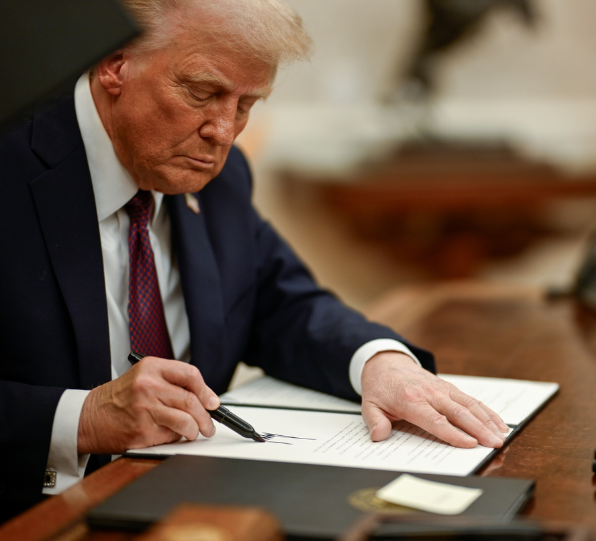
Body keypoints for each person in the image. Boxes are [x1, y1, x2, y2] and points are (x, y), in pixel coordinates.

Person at [0, 0, 509, 521]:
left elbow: (284, 303)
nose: (223, 132)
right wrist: (83, 418)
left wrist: (381, 364)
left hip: (194, 503)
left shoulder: (220, 179)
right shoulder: (14, 166)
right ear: (115, 64)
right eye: (202, 93)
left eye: (246, 106)